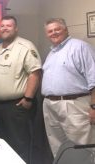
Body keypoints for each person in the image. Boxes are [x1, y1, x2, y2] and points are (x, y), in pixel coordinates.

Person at [0, 16, 42, 163]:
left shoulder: (25, 47)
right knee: (3, 144)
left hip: (16, 106)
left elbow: (35, 73)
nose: (4, 28)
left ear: (16, 28)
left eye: (9, 26)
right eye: (2, 26)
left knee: (19, 144)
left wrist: (28, 98)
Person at [42, 18, 95, 156]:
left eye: (57, 29)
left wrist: (94, 107)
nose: (53, 33)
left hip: (74, 105)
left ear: (66, 30)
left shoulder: (80, 47)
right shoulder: (52, 53)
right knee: (58, 147)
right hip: (50, 106)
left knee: (82, 148)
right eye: (50, 31)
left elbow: (94, 80)